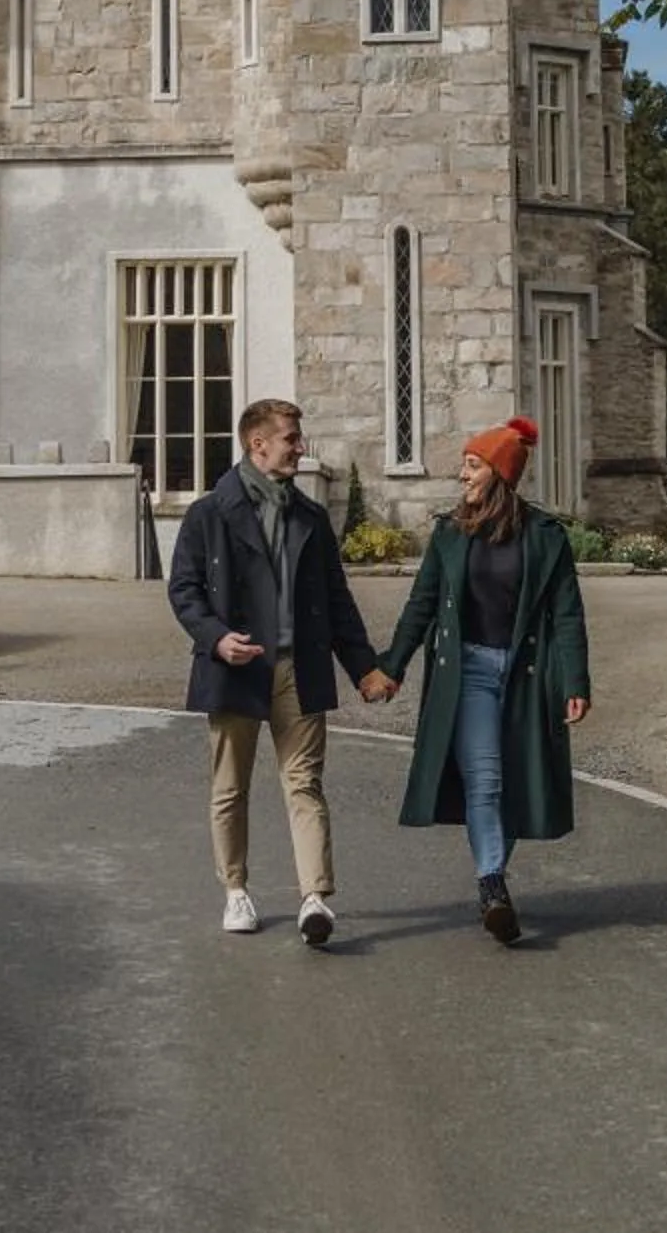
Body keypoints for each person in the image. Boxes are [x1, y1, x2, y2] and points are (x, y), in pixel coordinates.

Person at [168, 397, 395, 944]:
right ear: (258, 444)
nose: (300, 447)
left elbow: (337, 601)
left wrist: (364, 668)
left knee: (305, 784)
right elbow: (184, 589)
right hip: (235, 669)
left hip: (300, 669)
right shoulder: (207, 514)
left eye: (298, 437)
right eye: (291, 438)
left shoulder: (310, 517)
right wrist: (216, 638)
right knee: (230, 788)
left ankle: (314, 899)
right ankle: (235, 891)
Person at [378, 417, 591, 943]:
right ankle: (492, 884)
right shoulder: (450, 533)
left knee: (515, 781)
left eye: (472, 466)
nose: (462, 475)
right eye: (464, 466)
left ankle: (492, 877)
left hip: (526, 675)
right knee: (486, 779)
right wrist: (392, 665)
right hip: (468, 671)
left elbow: (567, 614)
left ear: (499, 472)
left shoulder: (545, 537)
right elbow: (422, 604)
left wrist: (575, 682)